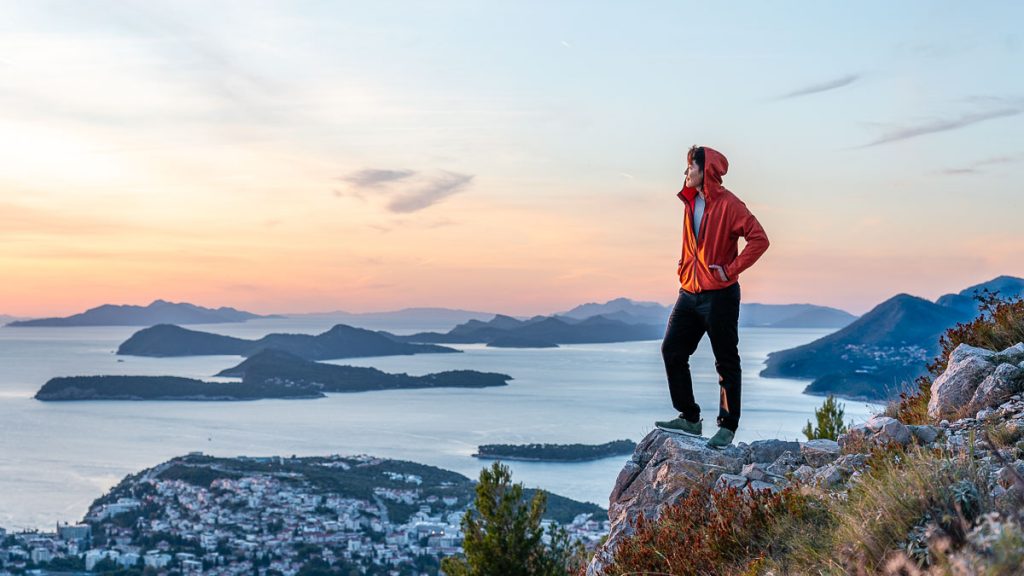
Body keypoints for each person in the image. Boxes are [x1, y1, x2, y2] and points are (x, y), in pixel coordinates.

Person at [655, 146, 769, 449]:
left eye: (690, 167)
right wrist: (682, 266)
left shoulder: (730, 205)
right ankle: (690, 417)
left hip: (720, 295)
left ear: (705, 170)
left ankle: (727, 426)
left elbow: (760, 238)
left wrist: (730, 270)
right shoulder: (689, 202)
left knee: (726, 360)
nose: (685, 173)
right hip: (689, 292)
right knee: (672, 350)